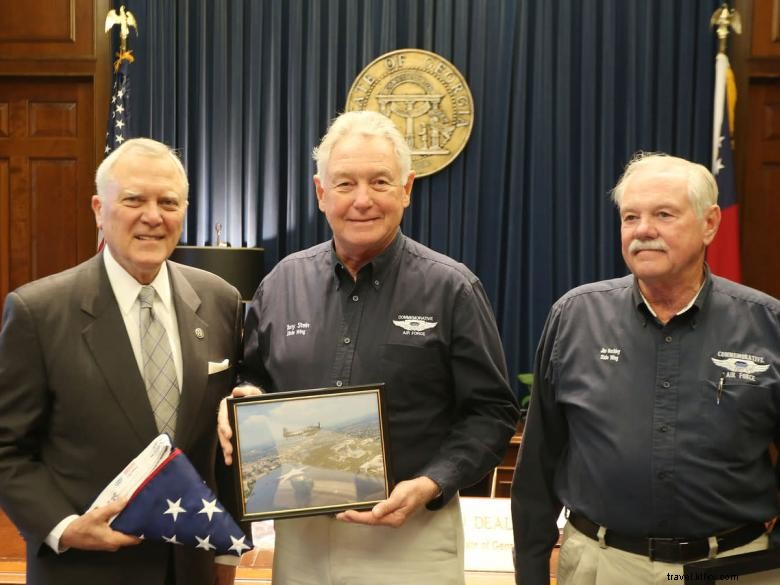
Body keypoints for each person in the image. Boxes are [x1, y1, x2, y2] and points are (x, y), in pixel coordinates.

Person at [219, 110, 520, 584]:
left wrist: (431, 484)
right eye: (345, 184)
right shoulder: (281, 283)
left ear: (406, 189)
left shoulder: (452, 288)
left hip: (411, 536)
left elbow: (492, 412)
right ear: (321, 192)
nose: (362, 200)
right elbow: (253, 375)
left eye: (380, 181)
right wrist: (247, 398)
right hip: (300, 538)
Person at [511, 152, 780, 585]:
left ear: (709, 224)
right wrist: (530, 570)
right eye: (630, 217)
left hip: (733, 566)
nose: (643, 230)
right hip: (602, 564)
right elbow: (539, 463)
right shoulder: (575, 317)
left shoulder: (767, 324)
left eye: (663, 215)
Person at [0, 138, 244, 585]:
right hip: (83, 570)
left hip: (190, 569)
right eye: (134, 200)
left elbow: (223, 446)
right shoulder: (38, 312)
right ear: (99, 209)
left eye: (168, 202)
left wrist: (227, 557)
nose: (153, 216)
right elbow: (6, 448)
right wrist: (64, 528)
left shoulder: (220, 301)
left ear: (184, 211)